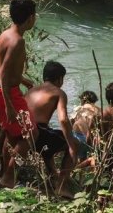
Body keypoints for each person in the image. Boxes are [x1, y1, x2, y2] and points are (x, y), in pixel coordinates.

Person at [0, 0, 37, 188]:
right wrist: (9, 105)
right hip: (5, 93)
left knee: (14, 134)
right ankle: (9, 176)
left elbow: (0, 66)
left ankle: (4, 174)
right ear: (30, 18)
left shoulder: (5, 34)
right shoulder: (18, 41)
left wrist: (22, 79)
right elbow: (5, 73)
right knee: (31, 133)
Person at [25, 60, 78, 199]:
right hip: (38, 133)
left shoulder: (32, 90)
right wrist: (71, 144)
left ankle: (52, 174)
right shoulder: (58, 92)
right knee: (73, 143)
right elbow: (63, 120)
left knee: (50, 136)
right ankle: (61, 186)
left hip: (24, 133)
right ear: (59, 78)